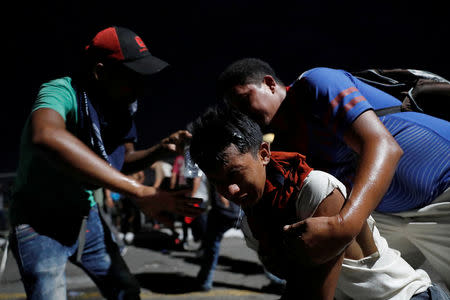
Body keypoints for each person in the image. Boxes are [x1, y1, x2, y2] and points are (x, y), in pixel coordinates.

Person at [217, 58, 450, 286]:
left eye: (245, 99)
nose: (245, 115)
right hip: (390, 216)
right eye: (238, 112)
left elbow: (384, 147)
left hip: (444, 192)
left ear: (268, 83)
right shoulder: (284, 145)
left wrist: (343, 224)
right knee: (358, 282)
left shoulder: (315, 84)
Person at [9, 26, 203, 300]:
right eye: (133, 75)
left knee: (126, 291)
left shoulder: (121, 109)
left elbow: (119, 165)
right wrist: (140, 191)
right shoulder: (63, 91)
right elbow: (46, 135)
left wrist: (159, 151)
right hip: (38, 221)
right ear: (100, 72)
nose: (142, 85)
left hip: (84, 217)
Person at [189, 105, 449, 300]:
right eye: (217, 182)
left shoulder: (315, 188)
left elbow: (315, 294)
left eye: (235, 174)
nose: (230, 190)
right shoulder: (253, 218)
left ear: (264, 154)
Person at [195, 183, 241, 291]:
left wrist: (223, 200)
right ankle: (277, 279)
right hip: (237, 209)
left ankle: (205, 281)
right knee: (257, 243)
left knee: (211, 247)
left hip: (223, 211)